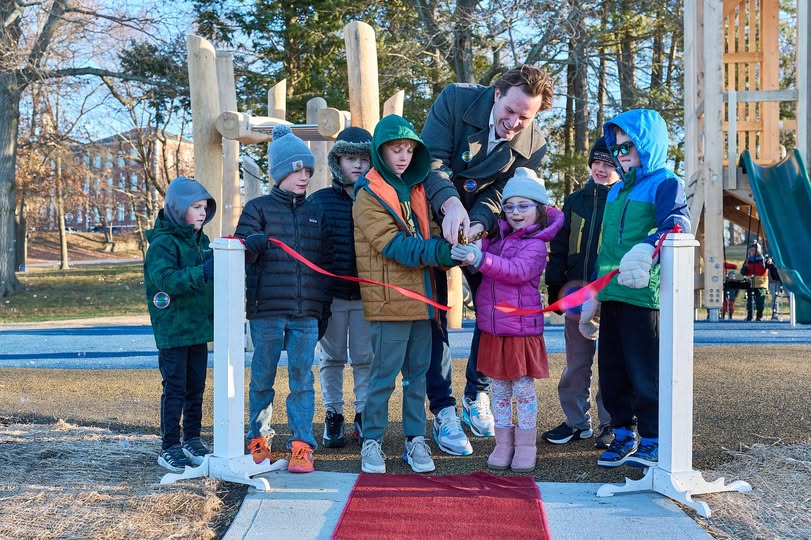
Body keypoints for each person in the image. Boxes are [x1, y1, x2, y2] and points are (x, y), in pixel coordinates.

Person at [420, 65, 555, 455]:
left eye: (524, 117)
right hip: (433, 214)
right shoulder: (455, 99)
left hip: (483, 228)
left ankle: (475, 393)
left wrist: (478, 225)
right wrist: (449, 205)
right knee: (433, 312)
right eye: (509, 111)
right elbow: (432, 162)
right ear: (496, 94)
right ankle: (442, 407)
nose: (513, 123)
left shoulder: (534, 144)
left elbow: (502, 192)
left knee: (494, 308)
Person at [580, 109, 691, 469]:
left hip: (643, 296)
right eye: (616, 148)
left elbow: (677, 223)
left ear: (647, 144)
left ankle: (653, 439)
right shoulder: (615, 191)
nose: (621, 154)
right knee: (612, 373)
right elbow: (606, 248)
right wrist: (594, 292)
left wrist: (648, 247)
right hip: (611, 295)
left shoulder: (665, 182)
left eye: (628, 146)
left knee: (645, 374)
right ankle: (622, 434)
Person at [352, 114, 457, 474]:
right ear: (379, 151)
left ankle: (416, 440)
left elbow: (436, 233)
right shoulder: (367, 194)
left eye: (409, 150)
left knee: (417, 379)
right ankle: (372, 441)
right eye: (396, 149)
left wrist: (459, 241)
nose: (403, 156)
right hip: (389, 303)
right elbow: (394, 245)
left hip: (424, 303)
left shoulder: (418, 189)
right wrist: (442, 252)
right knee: (383, 378)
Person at [234, 125, 333, 474]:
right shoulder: (257, 209)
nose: (304, 177)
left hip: (306, 314)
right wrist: (251, 245)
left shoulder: (316, 212)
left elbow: (327, 262)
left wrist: (323, 309)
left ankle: (302, 445)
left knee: (302, 380)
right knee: (262, 378)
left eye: (308, 171)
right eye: (296, 170)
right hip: (267, 312)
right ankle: (258, 439)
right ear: (279, 173)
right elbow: (239, 252)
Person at [451, 168, 563, 472]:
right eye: (510, 206)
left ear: (539, 209)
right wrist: (470, 250)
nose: (515, 212)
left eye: (523, 206)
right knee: (499, 391)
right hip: (494, 330)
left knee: (522, 391)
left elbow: (517, 271)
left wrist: (480, 258)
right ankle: (503, 443)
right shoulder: (498, 238)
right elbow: (481, 258)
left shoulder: (536, 244)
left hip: (520, 331)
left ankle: (525, 445)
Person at [542, 137, 618, 450]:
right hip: (577, 294)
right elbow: (559, 247)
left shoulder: (623, 200)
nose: (601, 169)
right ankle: (576, 422)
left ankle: (612, 423)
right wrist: (554, 287)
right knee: (576, 363)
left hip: (611, 296)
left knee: (612, 364)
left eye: (609, 164)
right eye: (597, 162)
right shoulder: (575, 201)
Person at [144, 176, 216, 473]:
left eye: (204, 207)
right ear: (178, 208)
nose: (202, 212)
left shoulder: (203, 242)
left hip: (198, 327)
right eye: (195, 207)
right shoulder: (162, 244)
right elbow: (166, 280)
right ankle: (170, 446)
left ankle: (192, 439)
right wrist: (203, 272)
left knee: (196, 386)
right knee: (175, 387)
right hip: (174, 329)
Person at [308, 127, 374, 448]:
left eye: (363, 158)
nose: (357, 165)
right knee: (331, 357)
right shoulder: (319, 202)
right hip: (331, 296)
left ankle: (363, 413)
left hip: (366, 294)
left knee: (364, 357)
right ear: (338, 162)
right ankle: (333, 414)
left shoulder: (377, 199)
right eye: (350, 158)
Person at [740, 241, 768, 321]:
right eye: (750, 250)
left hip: (761, 283)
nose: (751, 252)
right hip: (750, 283)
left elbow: (768, 267)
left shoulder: (763, 260)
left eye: (753, 250)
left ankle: (759, 316)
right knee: (750, 301)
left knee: (760, 301)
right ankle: (750, 316)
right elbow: (743, 272)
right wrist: (745, 269)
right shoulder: (748, 260)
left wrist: (767, 262)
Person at [765, 252, 782, 321]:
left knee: (791, 296)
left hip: (786, 278)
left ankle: (794, 313)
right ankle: (775, 314)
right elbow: (765, 265)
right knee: (775, 297)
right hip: (774, 280)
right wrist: (768, 262)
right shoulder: (769, 252)